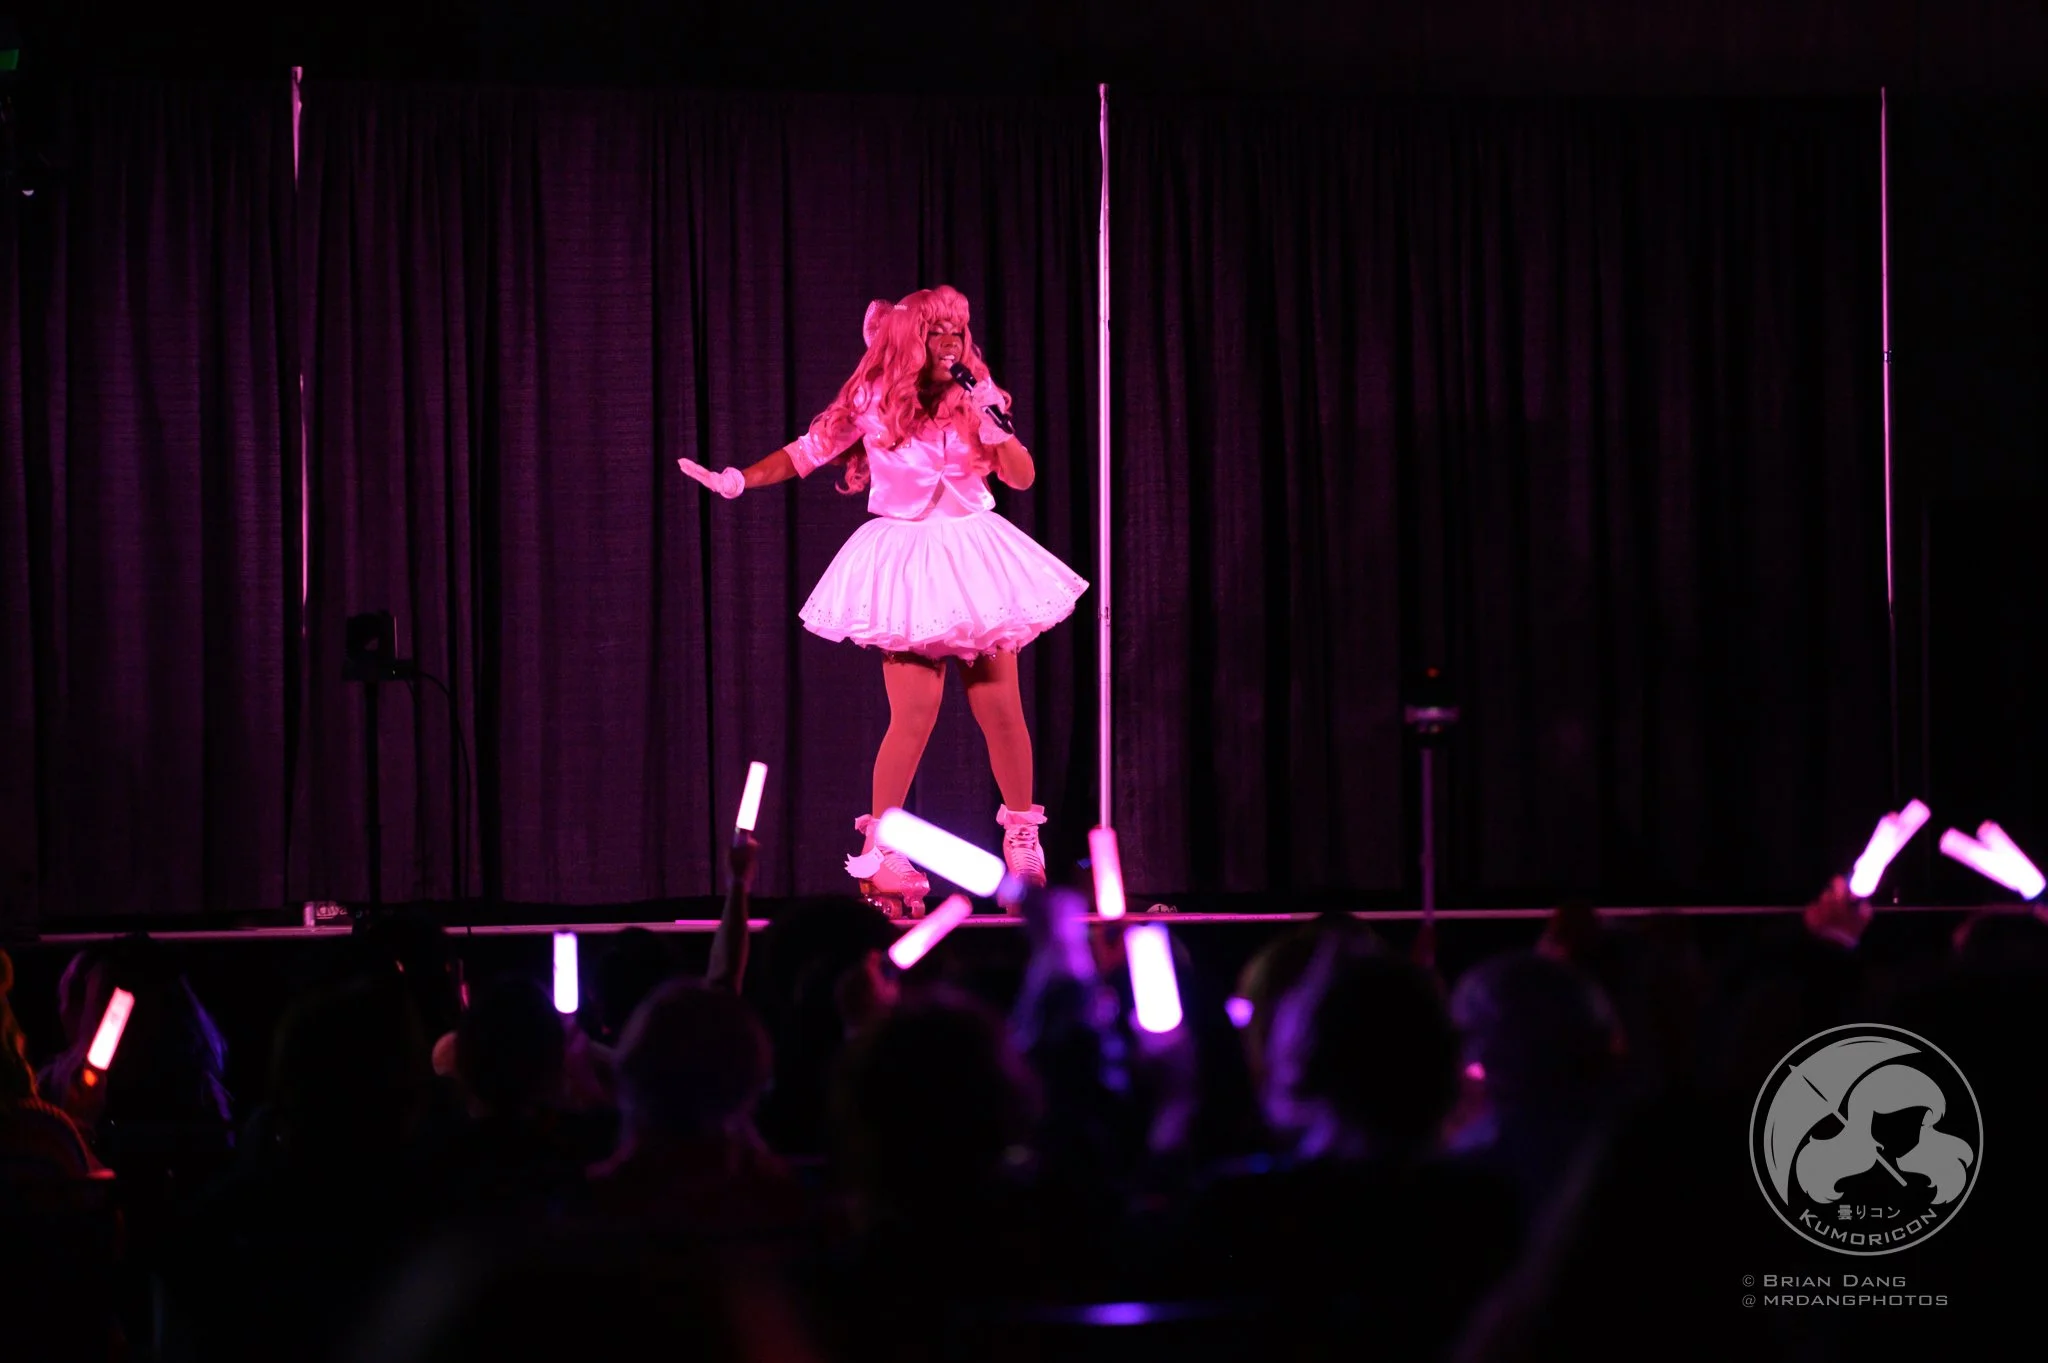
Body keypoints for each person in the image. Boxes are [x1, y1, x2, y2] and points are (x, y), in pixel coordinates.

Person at [678, 286, 1086, 915]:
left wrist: (992, 420)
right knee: (914, 713)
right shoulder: (872, 401)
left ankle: (1023, 836)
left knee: (1000, 705)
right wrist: (738, 480)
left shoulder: (979, 395)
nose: (950, 344)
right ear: (907, 340)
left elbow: (1023, 476)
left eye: (957, 332)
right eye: (937, 333)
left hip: (974, 552)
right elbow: (805, 453)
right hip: (909, 561)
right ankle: (886, 855)